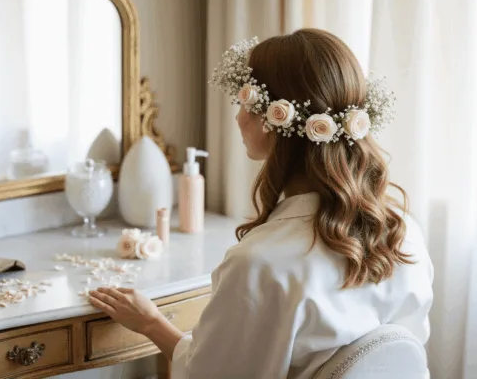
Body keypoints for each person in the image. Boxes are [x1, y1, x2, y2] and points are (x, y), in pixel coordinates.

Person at [88, 29, 434, 378]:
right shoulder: (403, 233)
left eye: (248, 103)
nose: (239, 118)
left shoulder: (261, 266)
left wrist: (152, 324)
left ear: (279, 120)